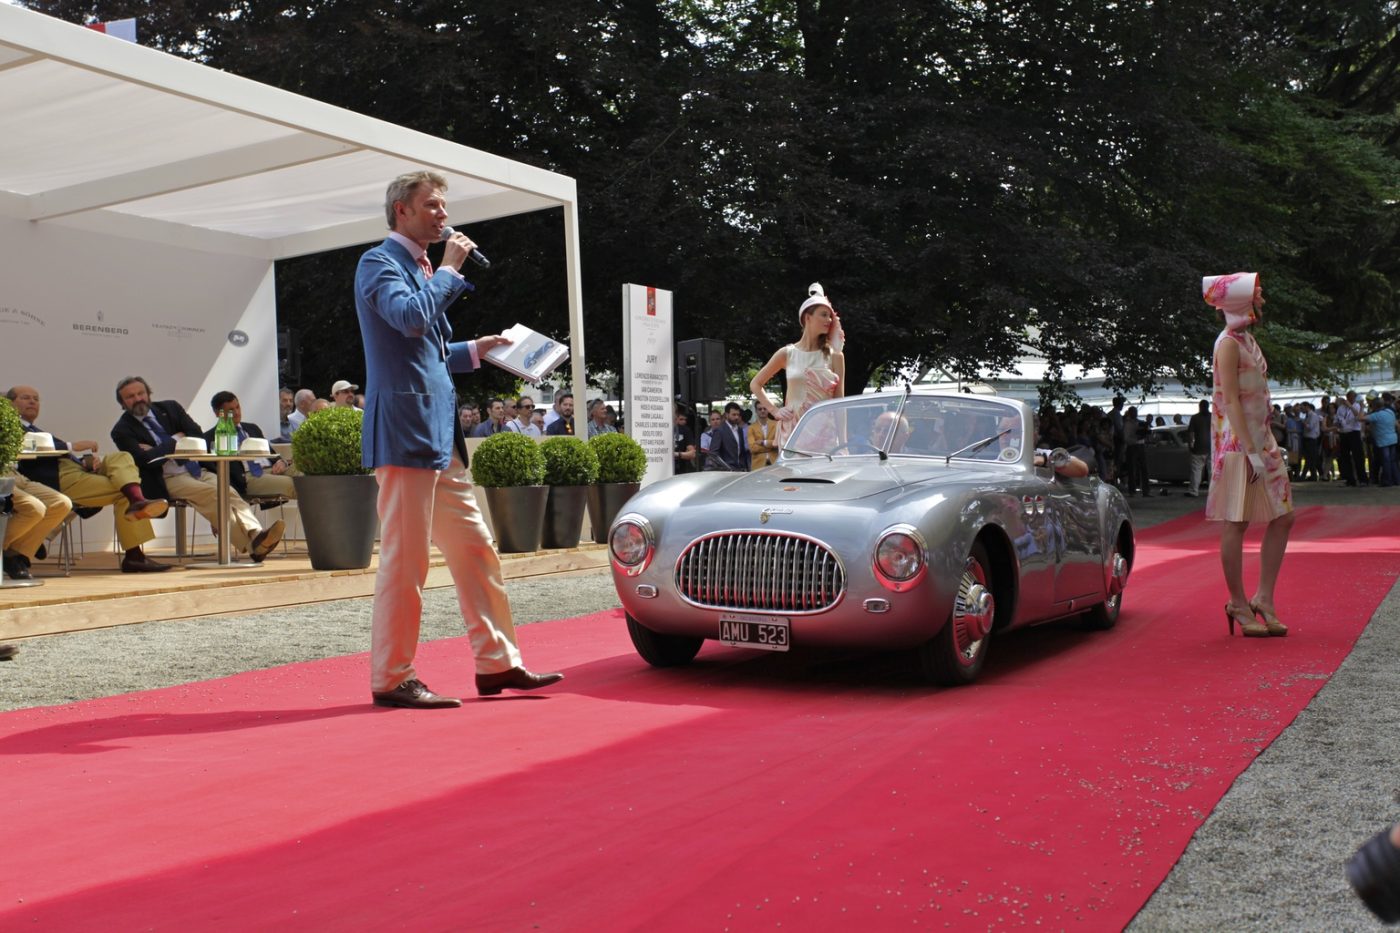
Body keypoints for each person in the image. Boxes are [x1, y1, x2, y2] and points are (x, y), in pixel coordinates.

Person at [354, 169, 561, 709]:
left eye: (444, 206)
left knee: (476, 549)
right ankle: (391, 676)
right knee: (406, 560)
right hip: (405, 433)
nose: (443, 215)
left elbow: (424, 348)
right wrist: (449, 269)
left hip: (439, 437)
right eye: (432, 205)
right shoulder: (378, 262)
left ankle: (497, 663)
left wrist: (474, 350)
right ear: (401, 210)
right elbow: (410, 319)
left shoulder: (422, 267)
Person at [1201, 273, 1293, 638]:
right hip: (1241, 444)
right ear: (1240, 301)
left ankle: (1263, 598)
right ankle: (1238, 602)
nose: (1261, 300)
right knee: (1237, 522)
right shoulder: (1227, 343)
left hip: (1262, 439)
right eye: (1256, 295)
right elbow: (1230, 401)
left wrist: (1263, 443)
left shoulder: (1246, 340)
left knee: (1283, 516)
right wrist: (1250, 449)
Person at [110, 376, 284, 563]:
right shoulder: (121, 430)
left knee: (228, 491)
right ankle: (253, 546)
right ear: (122, 403)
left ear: (148, 393)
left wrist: (158, 449)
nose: (138, 399)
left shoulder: (170, 408)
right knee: (213, 494)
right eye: (130, 397)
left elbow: (197, 435)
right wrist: (176, 439)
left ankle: (256, 533)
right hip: (167, 478)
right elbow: (147, 461)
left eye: (141, 393)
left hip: (196, 468)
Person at [8, 384, 172, 573]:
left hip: (75, 472)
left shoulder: (35, 429)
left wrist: (84, 461)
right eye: (25, 398)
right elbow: (28, 450)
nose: (32, 402)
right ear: (10, 404)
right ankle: (135, 554)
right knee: (124, 492)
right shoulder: (10, 427)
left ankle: (137, 501)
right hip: (57, 479)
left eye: (36, 399)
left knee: (122, 457)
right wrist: (72, 446)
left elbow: (56, 454)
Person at [750, 282, 846, 450]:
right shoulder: (787, 353)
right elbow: (755, 384)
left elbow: (840, 404)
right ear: (807, 317)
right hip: (793, 433)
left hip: (826, 437)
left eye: (830, 316)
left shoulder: (836, 356)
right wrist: (775, 410)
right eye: (824, 315)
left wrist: (844, 443)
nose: (829, 320)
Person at [203, 391, 297, 502]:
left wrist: (281, 462)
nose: (237, 412)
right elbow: (216, 471)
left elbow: (271, 453)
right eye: (231, 410)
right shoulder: (211, 438)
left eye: (237, 407)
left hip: (273, 469)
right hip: (249, 477)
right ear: (218, 413)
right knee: (292, 484)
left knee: (307, 474)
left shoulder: (252, 428)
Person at [705, 402, 751, 471]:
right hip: (726, 471)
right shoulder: (720, 430)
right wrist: (724, 467)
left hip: (740, 470)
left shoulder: (740, 430)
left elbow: (741, 452)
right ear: (726, 415)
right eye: (734, 415)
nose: (736, 417)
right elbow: (713, 454)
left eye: (738, 415)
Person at [1186, 399, 1211, 497]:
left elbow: (1191, 433)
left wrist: (1190, 445)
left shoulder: (1195, 418)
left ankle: (1194, 491)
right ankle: (1213, 492)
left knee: (1196, 470)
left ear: (1199, 407)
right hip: (1212, 448)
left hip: (1199, 447)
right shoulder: (1213, 417)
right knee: (1212, 471)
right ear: (1208, 406)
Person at [747, 401, 781, 468]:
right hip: (758, 465)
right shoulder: (751, 428)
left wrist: (764, 442)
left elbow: (779, 443)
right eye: (760, 409)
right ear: (756, 411)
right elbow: (752, 448)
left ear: (768, 410)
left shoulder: (777, 424)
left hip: (775, 463)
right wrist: (772, 447)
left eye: (764, 408)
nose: (762, 411)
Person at [673, 405, 697, 474]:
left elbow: (692, 454)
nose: (684, 422)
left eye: (685, 420)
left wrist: (677, 454)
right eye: (681, 419)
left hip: (681, 469)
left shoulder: (686, 430)